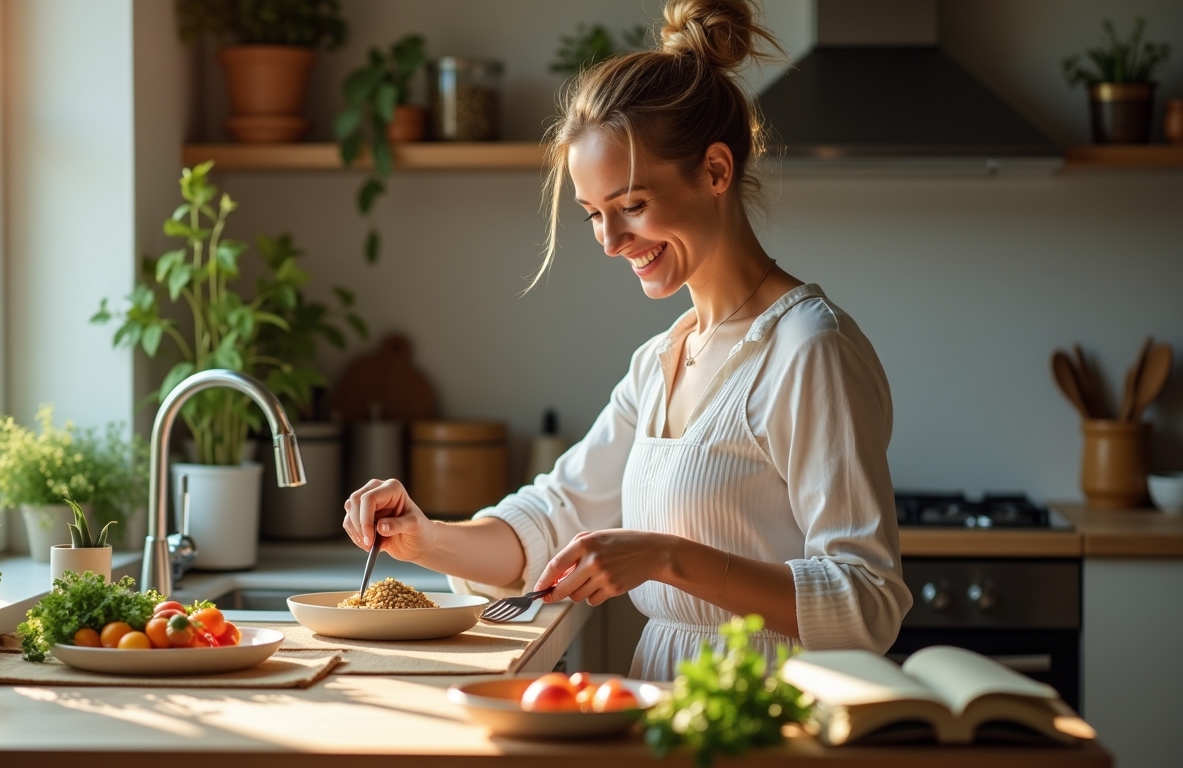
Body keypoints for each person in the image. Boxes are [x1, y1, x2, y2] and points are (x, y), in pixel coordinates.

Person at [342, 0, 912, 681]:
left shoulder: (807, 349)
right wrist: (426, 538)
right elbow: (554, 518)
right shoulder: (662, 362)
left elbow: (868, 603)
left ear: (716, 171)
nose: (610, 242)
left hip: (772, 720)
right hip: (665, 709)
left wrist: (667, 558)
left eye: (632, 206)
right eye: (594, 215)